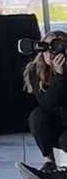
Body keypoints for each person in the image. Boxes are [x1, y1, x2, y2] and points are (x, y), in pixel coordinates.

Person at [24, 30, 67, 170]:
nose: (51, 53)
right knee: (37, 116)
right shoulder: (35, 71)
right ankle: (49, 161)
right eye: (47, 48)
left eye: (58, 47)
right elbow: (47, 104)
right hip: (55, 123)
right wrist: (59, 77)